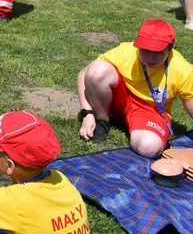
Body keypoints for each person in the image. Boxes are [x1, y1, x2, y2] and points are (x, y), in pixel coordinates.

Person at [77, 19, 193, 157]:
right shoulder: (126, 51)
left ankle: (136, 127)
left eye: (158, 52)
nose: (150, 57)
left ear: (170, 48)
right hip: (119, 97)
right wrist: (87, 113)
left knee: (149, 147)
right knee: (97, 71)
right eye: (145, 50)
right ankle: (102, 120)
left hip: (150, 110)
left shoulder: (183, 69)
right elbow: (85, 74)